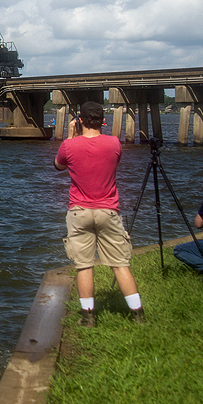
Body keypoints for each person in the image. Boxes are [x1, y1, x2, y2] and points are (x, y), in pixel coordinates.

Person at [54, 101, 144, 327]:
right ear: (103, 121)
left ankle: (88, 317)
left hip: (79, 211)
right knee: (120, 264)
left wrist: (71, 136)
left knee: (84, 265)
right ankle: (138, 315)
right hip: (109, 210)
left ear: (80, 121)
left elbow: (58, 165)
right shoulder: (114, 143)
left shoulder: (68, 146)